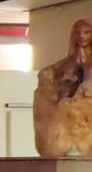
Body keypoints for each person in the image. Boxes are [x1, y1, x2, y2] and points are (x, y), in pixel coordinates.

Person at [33, 17, 92, 156]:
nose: (81, 36)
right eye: (78, 33)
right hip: (69, 125)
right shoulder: (64, 66)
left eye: (86, 32)